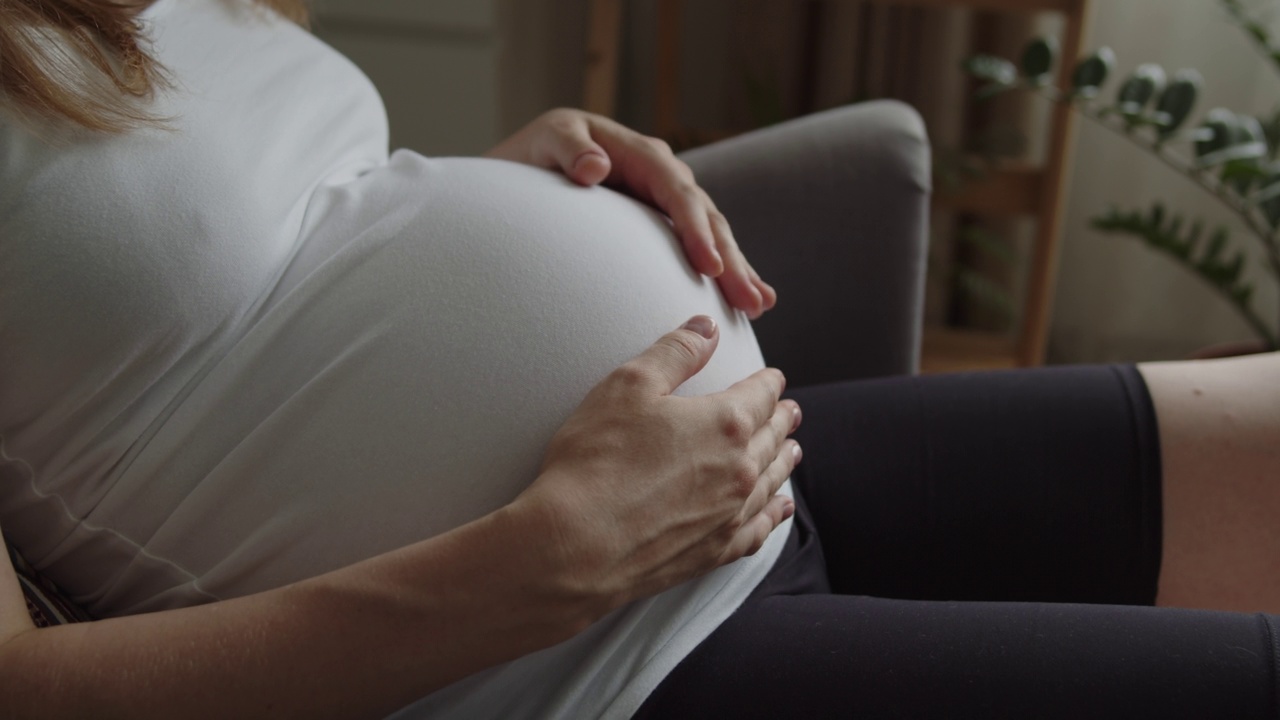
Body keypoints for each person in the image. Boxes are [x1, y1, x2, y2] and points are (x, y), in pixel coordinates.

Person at [0, 1, 1277, 718]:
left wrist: (487, 180)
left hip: (749, 471)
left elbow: (254, 253)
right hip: (580, 670)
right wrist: (537, 566)